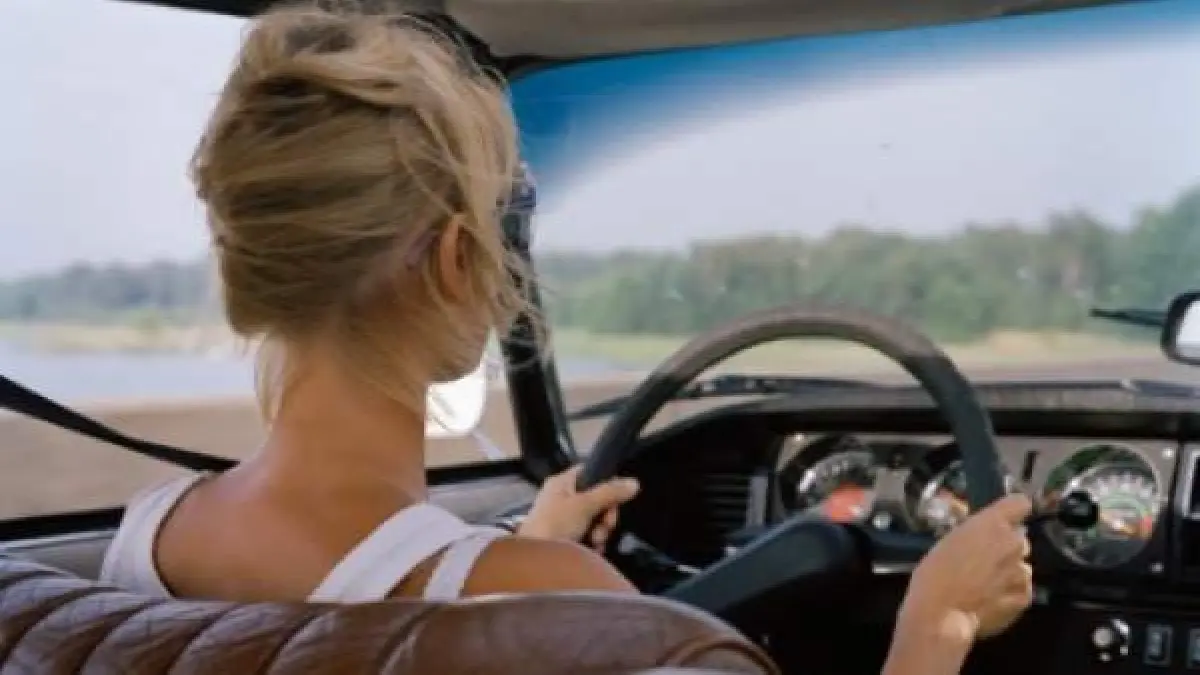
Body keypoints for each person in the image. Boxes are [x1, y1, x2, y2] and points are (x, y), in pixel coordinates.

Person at [99, 3, 1033, 673]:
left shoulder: (148, 537)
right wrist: (936, 626)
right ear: (457, 258)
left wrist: (516, 551)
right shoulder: (556, 609)